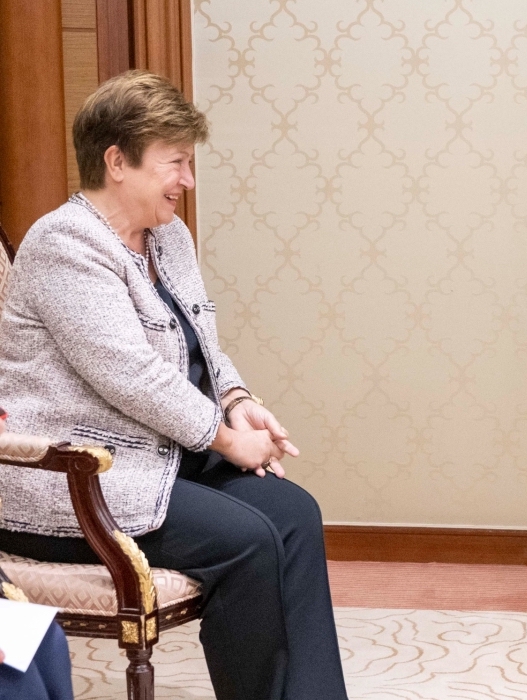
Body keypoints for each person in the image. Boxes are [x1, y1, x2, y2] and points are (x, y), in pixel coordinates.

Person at [0, 71, 348, 700]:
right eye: (176, 163)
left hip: (161, 459)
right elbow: (131, 375)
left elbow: (202, 343)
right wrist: (222, 438)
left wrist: (240, 406)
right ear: (117, 162)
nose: (188, 181)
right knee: (248, 542)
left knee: (295, 514)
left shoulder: (169, 237)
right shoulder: (64, 245)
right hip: (76, 479)